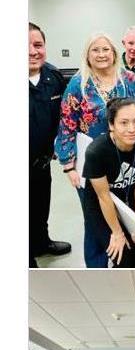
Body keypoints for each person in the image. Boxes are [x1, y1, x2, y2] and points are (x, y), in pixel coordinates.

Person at [55, 32, 135, 267]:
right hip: (92, 160)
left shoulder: (129, 79)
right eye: (95, 50)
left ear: (114, 52)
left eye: (105, 49)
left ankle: (130, 250)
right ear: (87, 55)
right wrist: (69, 166)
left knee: (125, 209)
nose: (101, 54)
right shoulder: (79, 84)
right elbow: (66, 123)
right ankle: (97, 264)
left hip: (127, 156)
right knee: (95, 219)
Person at [82, 97, 135, 267]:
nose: (132, 129)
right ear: (111, 125)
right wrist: (117, 232)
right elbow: (104, 197)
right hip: (102, 205)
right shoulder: (96, 151)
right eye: (124, 123)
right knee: (123, 258)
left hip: (127, 199)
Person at [29, 22, 71, 266]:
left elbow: (65, 115)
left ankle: (40, 242)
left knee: (40, 204)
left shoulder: (53, 76)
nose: (33, 52)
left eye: (38, 45)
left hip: (43, 161)